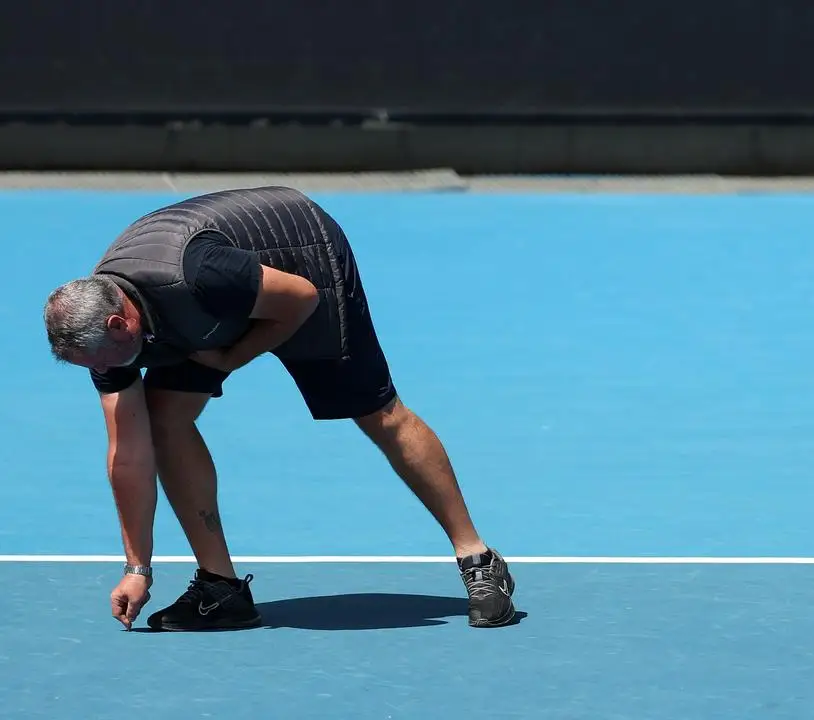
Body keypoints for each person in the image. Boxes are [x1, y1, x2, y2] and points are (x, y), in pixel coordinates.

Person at [43, 186, 517, 632]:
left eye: (105, 359)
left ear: (119, 322)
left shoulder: (198, 273)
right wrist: (137, 567)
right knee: (164, 420)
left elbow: (300, 299)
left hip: (303, 268)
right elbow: (127, 453)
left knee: (378, 413)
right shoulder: (103, 336)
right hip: (210, 306)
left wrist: (233, 357)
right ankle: (221, 588)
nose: (103, 371)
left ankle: (477, 557)